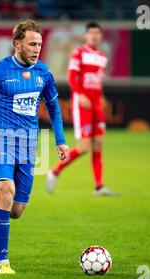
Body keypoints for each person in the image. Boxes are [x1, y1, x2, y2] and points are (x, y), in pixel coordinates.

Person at [0, 20, 68, 274]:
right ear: (17, 44)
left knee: (15, 211)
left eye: (39, 44)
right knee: (6, 193)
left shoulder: (43, 73)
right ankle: (2, 263)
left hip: (29, 147)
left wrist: (60, 140)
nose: (37, 48)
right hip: (1, 142)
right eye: (32, 43)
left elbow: (53, 107)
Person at [46, 22, 118, 196]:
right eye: (91, 33)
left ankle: (99, 187)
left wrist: (100, 96)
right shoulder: (79, 53)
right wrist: (80, 94)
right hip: (82, 105)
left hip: (96, 106)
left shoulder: (102, 57)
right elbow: (72, 77)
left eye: (97, 33)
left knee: (99, 144)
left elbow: (96, 80)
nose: (94, 36)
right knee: (84, 146)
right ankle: (54, 171)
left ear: (101, 36)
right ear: (86, 36)